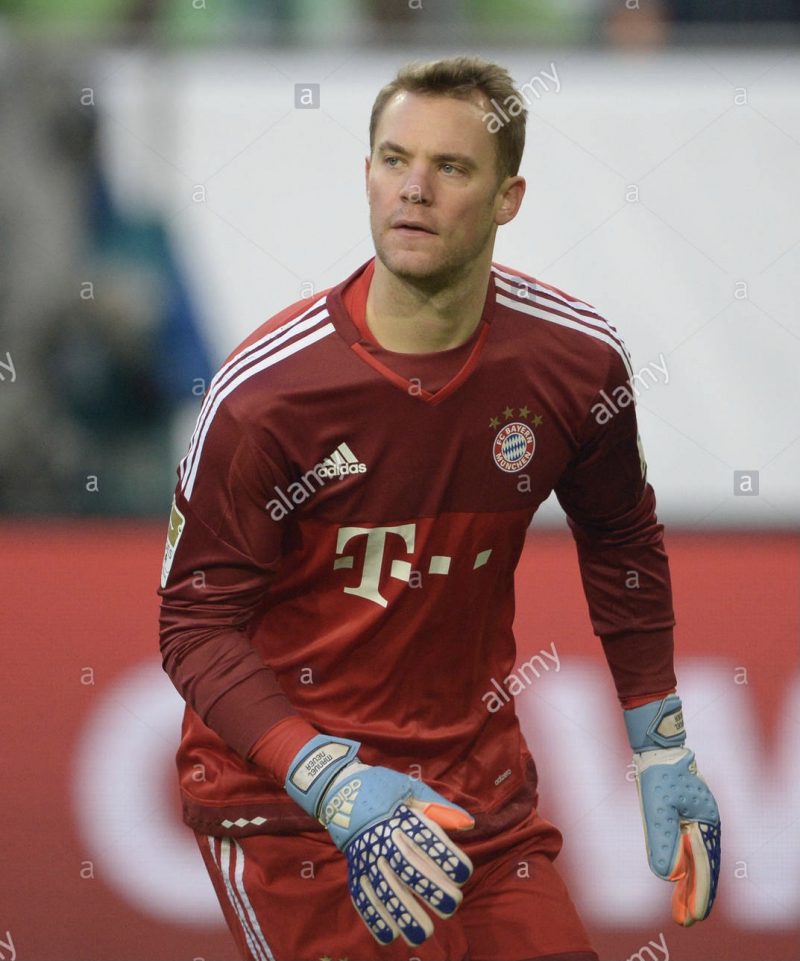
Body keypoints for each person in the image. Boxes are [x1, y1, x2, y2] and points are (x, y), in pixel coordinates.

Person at [158, 55, 720, 961]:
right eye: (394, 160)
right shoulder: (266, 397)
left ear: (508, 198)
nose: (413, 189)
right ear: (367, 175)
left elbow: (620, 537)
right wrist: (330, 781)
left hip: (478, 800)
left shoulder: (575, 366)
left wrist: (660, 743)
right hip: (293, 813)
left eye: (451, 167)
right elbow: (194, 622)